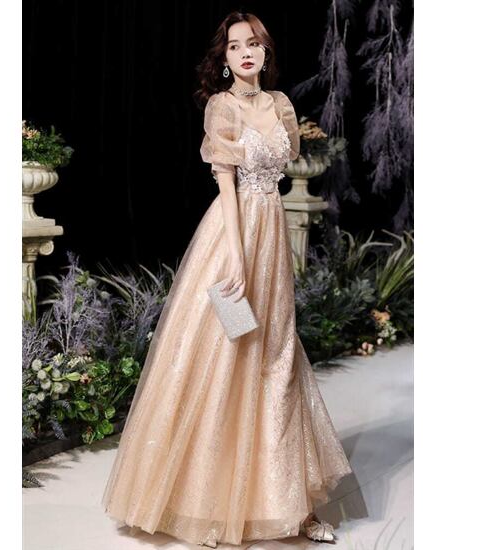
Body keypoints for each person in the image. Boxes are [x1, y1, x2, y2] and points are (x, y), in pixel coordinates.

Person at [101, 11, 353, 547]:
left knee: (278, 355)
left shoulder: (281, 105)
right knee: (224, 351)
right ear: (224, 59)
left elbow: (279, 170)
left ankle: (293, 506)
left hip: (272, 233)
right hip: (233, 234)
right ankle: (206, 506)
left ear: (266, 51)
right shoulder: (223, 106)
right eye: (235, 45)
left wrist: (264, 250)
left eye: (253, 43)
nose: (245, 52)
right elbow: (226, 185)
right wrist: (237, 259)